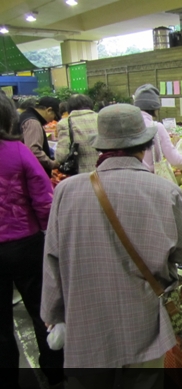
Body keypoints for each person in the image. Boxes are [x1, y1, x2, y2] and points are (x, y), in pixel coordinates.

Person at [41, 104, 182, 386]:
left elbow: (52, 258)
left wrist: (52, 313)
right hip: (142, 317)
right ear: (144, 145)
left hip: (85, 317)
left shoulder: (66, 191)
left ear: (101, 146)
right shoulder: (165, 191)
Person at [0, 93, 64, 389]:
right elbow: (44, 201)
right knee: (42, 310)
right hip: (24, 243)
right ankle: (54, 371)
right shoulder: (18, 151)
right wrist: (49, 234)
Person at [133, 84, 182, 171]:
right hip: (150, 178)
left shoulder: (130, 125)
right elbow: (175, 160)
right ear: (155, 107)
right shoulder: (156, 127)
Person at [16, 96, 61, 176]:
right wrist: (52, 164)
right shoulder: (33, 123)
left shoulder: (24, 116)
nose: (52, 120)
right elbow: (34, 150)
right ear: (49, 110)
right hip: (30, 174)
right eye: (54, 116)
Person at [55, 94, 99, 174]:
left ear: (69, 107)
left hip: (81, 174)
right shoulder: (101, 118)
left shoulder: (65, 123)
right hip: (104, 171)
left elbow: (61, 156)